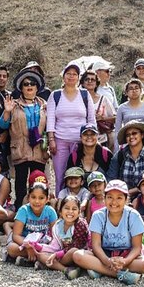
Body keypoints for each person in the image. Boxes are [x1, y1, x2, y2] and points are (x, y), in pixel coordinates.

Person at [73, 180, 144, 285]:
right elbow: (96, 245)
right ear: (104, 198)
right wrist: (107, 261)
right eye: (110, 197)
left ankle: (99, 269)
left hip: (127, 255)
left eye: (119, 198)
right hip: (104, 254)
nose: (114, 202)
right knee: (77, 255)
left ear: (126, 200)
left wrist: (124, 262)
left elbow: (136, 247)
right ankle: (121, 275)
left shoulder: (133, 215)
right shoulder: (98, 215)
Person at [0, 68, 48, 209]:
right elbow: (2, 124)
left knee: (38, 180)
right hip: (20, 149)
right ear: (21, 87)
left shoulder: (44, 105)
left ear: (37, 87)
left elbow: (49, 125)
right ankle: (20, 209)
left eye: (32, 83)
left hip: (38, 149)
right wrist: (7, 111)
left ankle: (39, 209)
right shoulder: (13, 104)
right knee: (20, 183)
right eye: (25, 84)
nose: (29, 86)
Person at [47, 62, 96, 191]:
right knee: (60, 176)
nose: (71, 76)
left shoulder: (85, 95)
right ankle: (60, 204)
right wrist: (51, 140)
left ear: (78, 78)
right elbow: (51, 119)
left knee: (79, 175)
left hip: (80, 142)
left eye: (74, 74)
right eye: (68, 74)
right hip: (60, 141)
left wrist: (92, 140)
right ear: (63, 77)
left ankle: (78, 205)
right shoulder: (55, 95)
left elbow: (91, 119)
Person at [33, 195, 90, 279]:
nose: (70, 212)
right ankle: (65, 269)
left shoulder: (80, 224)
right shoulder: (58, 224)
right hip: (60, 253)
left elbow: (77, 246)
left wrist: (57, 255)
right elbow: (53, 242)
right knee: (41, 255)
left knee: (73, 251)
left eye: (74, 209)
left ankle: (52, 265)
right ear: (60, 212)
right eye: (67, 208)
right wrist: (39, 246)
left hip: (75, 255)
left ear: (79, 213)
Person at [5, 181, 58, 266]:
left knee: (56, 249)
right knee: (11, 248)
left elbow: (55, 235)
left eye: (41, 198)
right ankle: (41, 259)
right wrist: (28, 246)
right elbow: (16, 235)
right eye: (33, 197)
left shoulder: (50, 211)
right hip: (24, 242)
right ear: (28, 198)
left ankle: (31, 259)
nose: (37, 201)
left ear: (47, 199)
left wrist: (42, 246)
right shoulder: (23, 210)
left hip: (42, 243)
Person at [107, 121, 144, 197]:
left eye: (134, 133)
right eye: (128, 135)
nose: (131, 137)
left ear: (142, 135)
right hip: (122, 198)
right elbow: (111, 178)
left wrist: (129, 192)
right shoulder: (119, 156)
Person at [82, 69, 116, 148]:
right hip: (81, 138)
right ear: (82, 83)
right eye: (87, 79)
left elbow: (115, 117)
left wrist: (102, 118)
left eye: (93, 79)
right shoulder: (77, 99)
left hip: (101, 139)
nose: (90, 81)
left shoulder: (103, 99)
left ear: (96, 83)